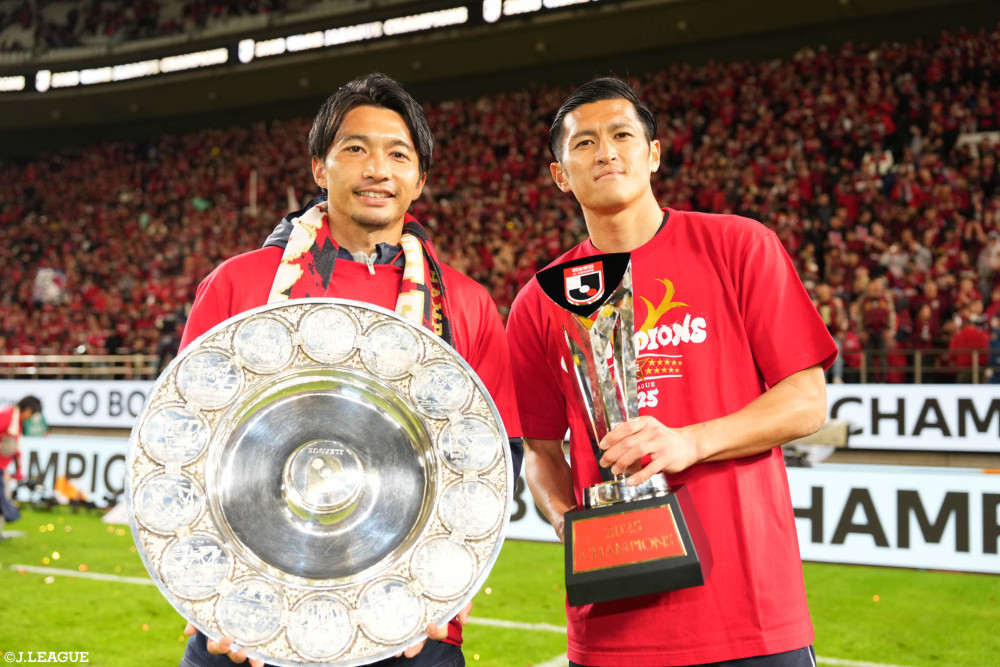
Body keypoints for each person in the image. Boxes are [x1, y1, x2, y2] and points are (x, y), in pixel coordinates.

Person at [177, 73, 522, 667]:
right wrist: (208, 592)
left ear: (420, 179)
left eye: (399, 154)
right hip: (250, 622)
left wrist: (443, 585)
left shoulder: (464, 303)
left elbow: (493, 459)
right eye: (356, 148)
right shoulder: (239, 283)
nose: (377, 169)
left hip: (410, 628)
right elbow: (186, 440)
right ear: (320, 167)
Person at [506, 77, 836, 667]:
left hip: (752, 615)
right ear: (560, 175)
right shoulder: (539, 301)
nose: (605, 152)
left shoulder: (739, 245)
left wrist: (690, 442)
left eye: (622, 135)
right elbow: (540, 450)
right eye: (584, 143)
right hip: (614, 624)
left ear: (653, 154)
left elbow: (808, 400)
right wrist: (570, 525)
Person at [0, 395, 42, 537]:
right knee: (3, 498)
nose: (30, 418)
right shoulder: (7, 416)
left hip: (2, 468)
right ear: (28, 410)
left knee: (4, 495)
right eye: (32, 414)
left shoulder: (16, 421)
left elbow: (14, 448)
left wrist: (14, 470)